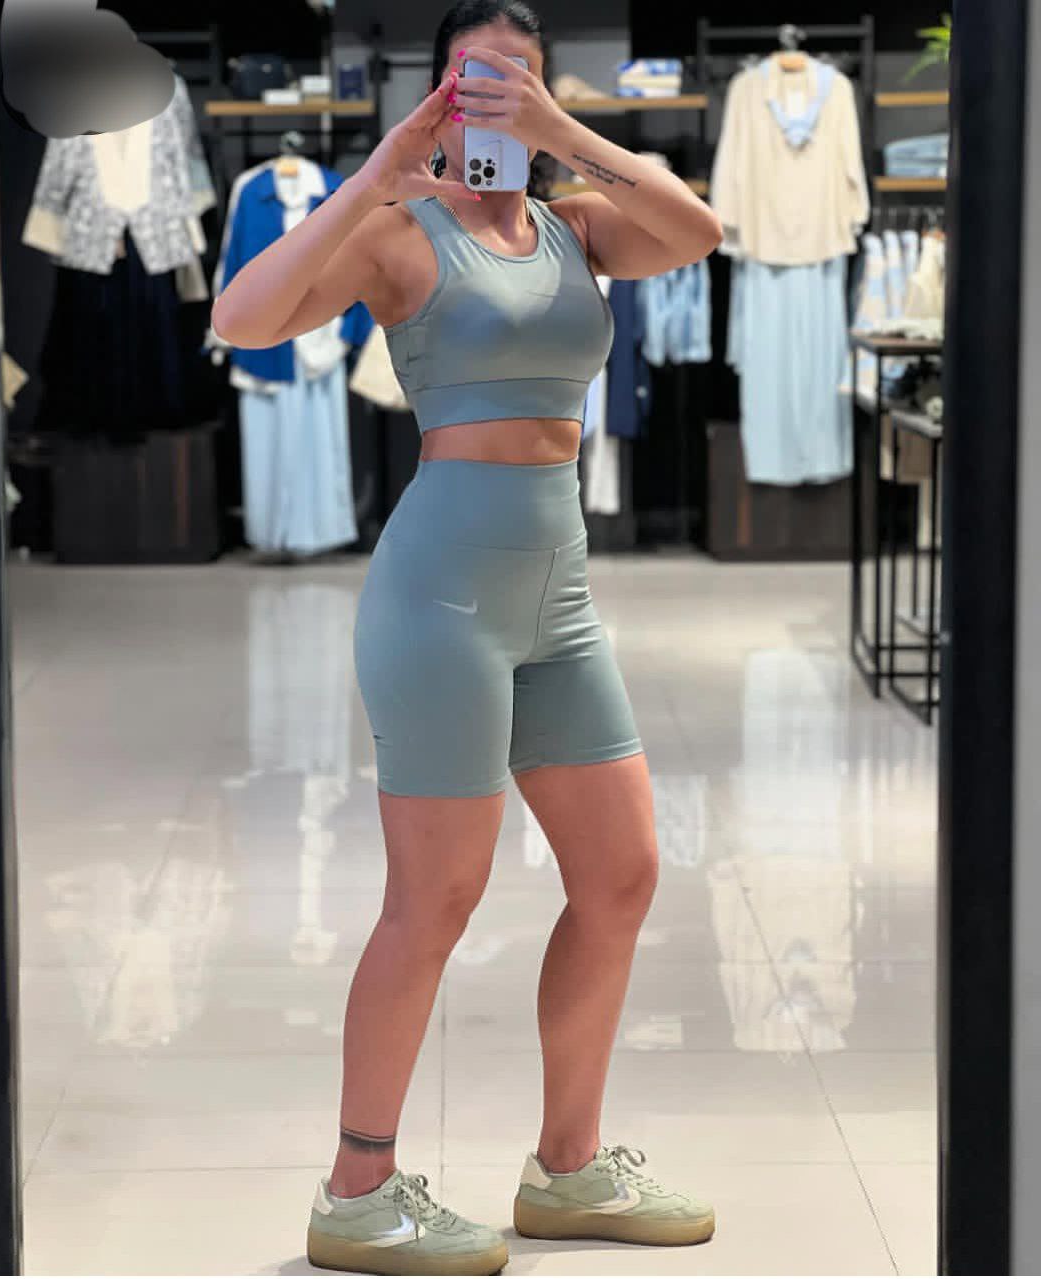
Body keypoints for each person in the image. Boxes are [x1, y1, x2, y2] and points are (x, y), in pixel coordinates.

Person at [211, 2, 722, 1273]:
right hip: (440, 599)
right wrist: (378, 174)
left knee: (622, 874)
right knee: (435, 895)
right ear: (433, 94)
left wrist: (564, 134)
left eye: (515, 79)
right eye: (468, 78)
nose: (490, 98)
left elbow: (699, 231)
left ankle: (568, 1169)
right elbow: (245, 318)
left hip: (561, 600)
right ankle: (355, 1191)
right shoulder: (401, 234)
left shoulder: (580, 227)